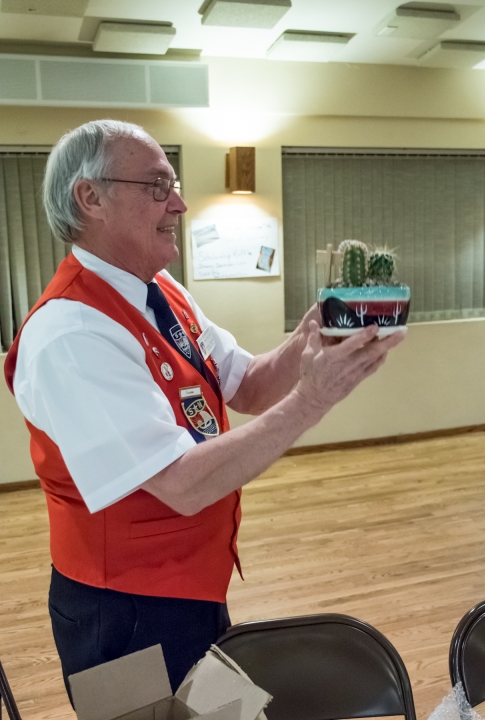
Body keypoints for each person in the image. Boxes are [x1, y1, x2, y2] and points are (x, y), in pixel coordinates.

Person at [4, 120, 404, 698]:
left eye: (175, 183)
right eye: (157, 186)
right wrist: (314, 398)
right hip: (118, 615)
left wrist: (311, 334)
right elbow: (182, 485)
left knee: (222, 718)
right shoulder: (71, 333)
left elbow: (248, 385)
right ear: (89, 198)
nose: (180, 203)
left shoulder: (161, 290)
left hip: (194, 591)